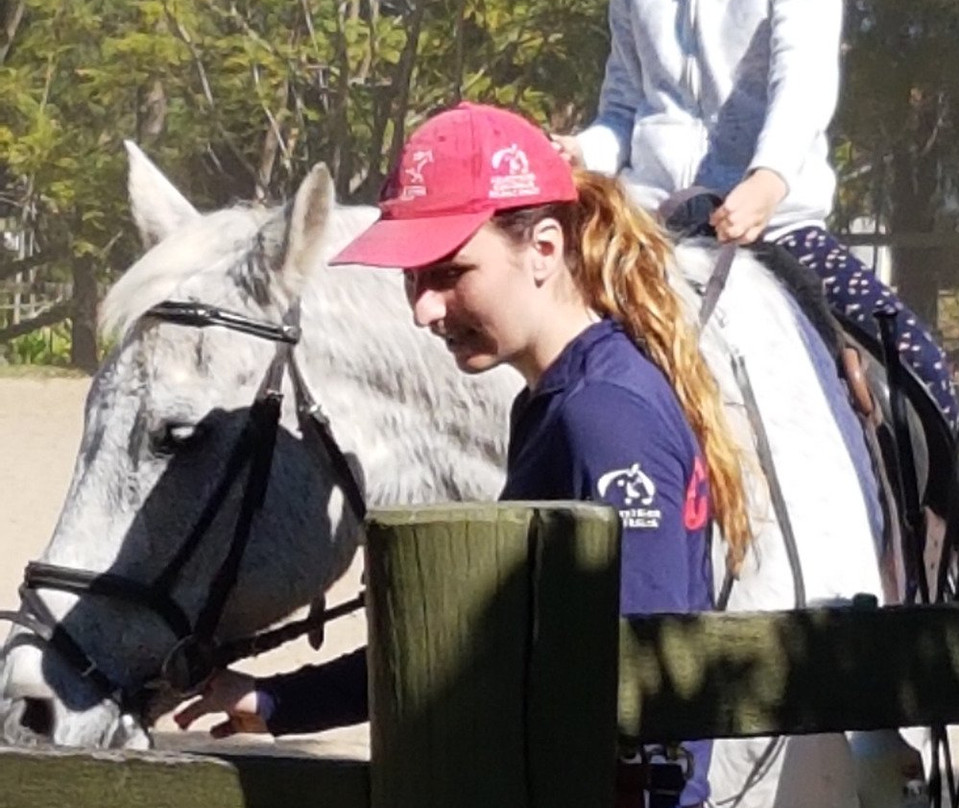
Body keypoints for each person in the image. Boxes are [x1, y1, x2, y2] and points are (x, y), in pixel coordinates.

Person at [176, 101, 753, 807]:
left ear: (544, 249)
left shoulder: (602, 418)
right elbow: (486, 645)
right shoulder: (558, 400)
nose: (423, 309)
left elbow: (643, 695)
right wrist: (281, 702)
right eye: (413, 278)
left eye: (450, 272)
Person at [550, 0, 959, 428]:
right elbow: (622, 111)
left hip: (780, 227)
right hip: (648, 228)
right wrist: (582, 151)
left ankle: (921, 474)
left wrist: (768, 178)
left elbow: (803, 80)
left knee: (922, 364)